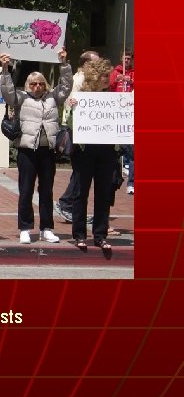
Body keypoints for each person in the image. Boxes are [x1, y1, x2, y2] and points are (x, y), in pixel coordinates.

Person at [0, 49, 73, 244]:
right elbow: (7, 91)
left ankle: (47, 228)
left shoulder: (52, 97)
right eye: (33, 83)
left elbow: (66, 86)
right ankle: (25, 227)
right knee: (26, 190)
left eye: (41, 83)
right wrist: (5, 68)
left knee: (47, 191)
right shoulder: (21, 98)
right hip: (27, 151)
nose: (37, 87)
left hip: (47, 151)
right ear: (28, 85)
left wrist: (64, 64)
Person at [70, 58, 118, 253]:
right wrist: (71, 108)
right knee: (81, 192)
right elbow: (70, 123)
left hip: (107, 151)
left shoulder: (115, 97)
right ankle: (79, 235)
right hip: (84, 150)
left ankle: (100, 235)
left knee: (103, 194)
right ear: (94, 77)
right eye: (104, 76)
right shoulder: (81, 96)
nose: (108, 79)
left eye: (108, 75)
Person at [55, 50, 100, 224]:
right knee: (80, 170)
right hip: (77, 129)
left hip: (82, 129)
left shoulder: (83, 79)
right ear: (86, 64)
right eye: (95, 62)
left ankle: (69, 204)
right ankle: (66, 203)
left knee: (81, 170)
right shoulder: (80, 80)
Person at [110, 48, 134, 195]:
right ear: (121, 58)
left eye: (129, 59)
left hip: (130, 110)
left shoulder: (133, 73)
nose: (126, 61)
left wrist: (131, 80)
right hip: (116, 109)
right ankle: (122, 160)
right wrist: (116, 80)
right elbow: (109, 85)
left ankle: (127, 160)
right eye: (124, 58)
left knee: (128, 138)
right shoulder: (115, 72)